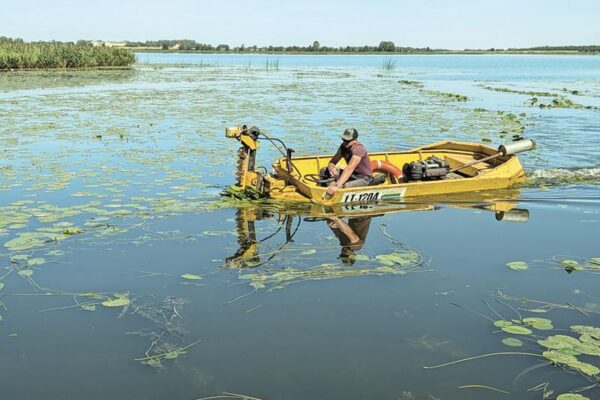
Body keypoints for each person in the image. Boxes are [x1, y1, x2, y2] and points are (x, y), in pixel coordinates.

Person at [320, 128, 373, 197]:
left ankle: (333, 193)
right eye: (344, 140)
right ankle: (322, 191)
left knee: (347, 185)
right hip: (351, 176)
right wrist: (331, 167)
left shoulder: (359, 149)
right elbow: (332, 162)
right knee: (324, 170)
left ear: (355, 140)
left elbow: (349, 169)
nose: (345, 142)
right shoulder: (343, 147)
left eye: (348, 141)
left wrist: (336, 185)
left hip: (364, 178)